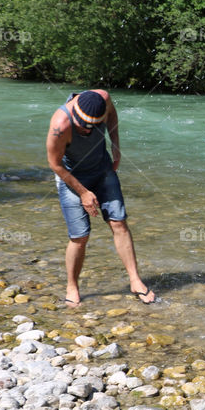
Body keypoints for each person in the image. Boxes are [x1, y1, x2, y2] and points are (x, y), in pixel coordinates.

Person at [45, 89, 155, 307]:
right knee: (80, 236)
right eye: (83, 127)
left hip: (102, 168)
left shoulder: (103, 98)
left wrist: (115, 145)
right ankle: (72, 286)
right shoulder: (60, 125)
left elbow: (112, 116)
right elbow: (55, 164)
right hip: (71, 175)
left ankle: (135, 280)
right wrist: (83, 192)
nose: (87, 130)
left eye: (92, 127)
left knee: (119, 222)